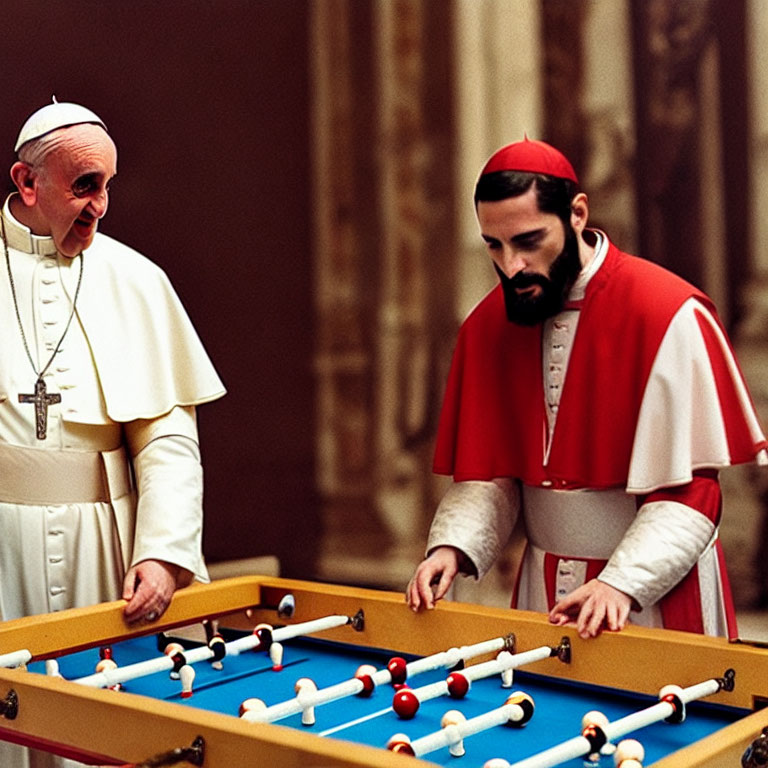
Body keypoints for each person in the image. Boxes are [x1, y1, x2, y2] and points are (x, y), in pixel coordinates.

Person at [406, 138, 768, 640]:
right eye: (495, 244)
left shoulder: (666, 313)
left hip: (650, 597)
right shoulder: (488, 326)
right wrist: (452, 547)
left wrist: (620, 584)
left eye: (529, 241)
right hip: (543, 586)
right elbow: (491, 477)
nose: (511, 266)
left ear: (577, 213)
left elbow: (691, 494)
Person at [0, 100, 225, 766]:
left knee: (102, 734)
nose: (101, 205)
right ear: (27, 182)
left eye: (108, 186)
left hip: (106, 544)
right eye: (84, 185)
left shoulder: (137, 281)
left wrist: (162, 552)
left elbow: (168, 442)